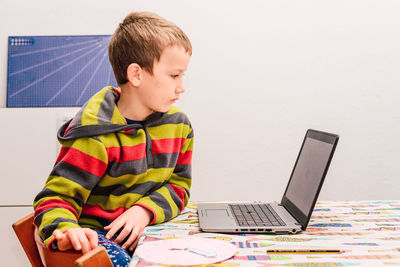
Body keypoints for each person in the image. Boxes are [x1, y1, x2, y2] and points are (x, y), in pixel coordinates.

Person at [33, 11, 193, 266]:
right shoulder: (95, 135)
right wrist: (66, 230)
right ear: (136, 75)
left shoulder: (179, 126)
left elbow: (179, 186)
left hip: (147, 232)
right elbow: (55, 199)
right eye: (174, 75)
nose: (181, 86)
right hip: (100, 238)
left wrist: (143, 211)